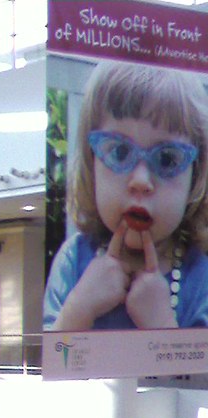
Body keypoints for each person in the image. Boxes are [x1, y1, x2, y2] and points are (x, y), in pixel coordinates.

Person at [44, 61, 208, 332]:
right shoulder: (73, 260)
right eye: (119, 152)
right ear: (90, 161)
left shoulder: (200, 276)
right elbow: (52, 362)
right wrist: (79, 309)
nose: (141, 181)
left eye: (167, 158)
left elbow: (198, 376)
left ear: (196, 175)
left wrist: (162, 326)